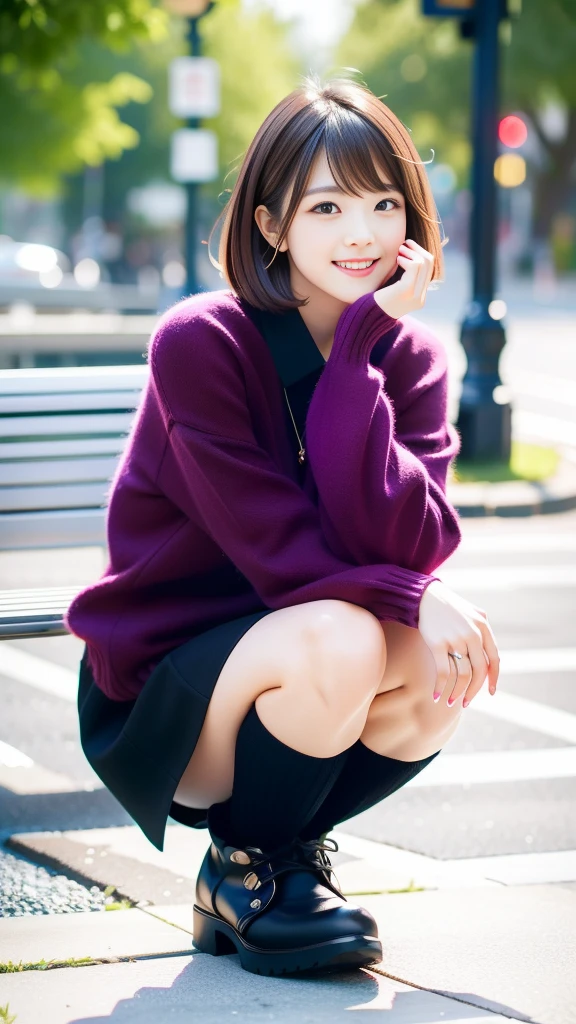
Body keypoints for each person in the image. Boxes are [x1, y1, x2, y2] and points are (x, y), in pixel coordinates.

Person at [65, 75, 500, 977]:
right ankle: (250, 869)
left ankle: (272, 859)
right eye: (329, 205)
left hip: (296, 643)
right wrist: (415, 594)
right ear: (271, 225)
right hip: (171, 685)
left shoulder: (409, 356)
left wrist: (357, 356)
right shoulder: (201, 343)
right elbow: (280, 558)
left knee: (439, 666)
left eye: (385, 203)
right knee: (347, 637)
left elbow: (408, 539)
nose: (362, 234)